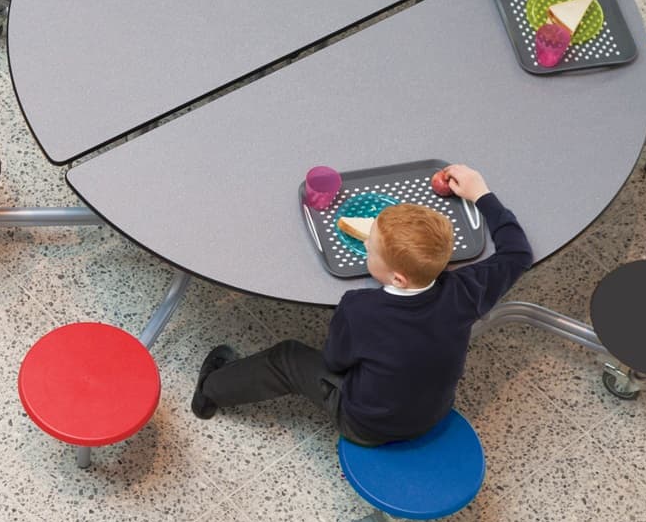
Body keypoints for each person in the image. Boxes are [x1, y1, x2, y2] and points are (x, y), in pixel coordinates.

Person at [191, 164, 534, 445]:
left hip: (367, 425)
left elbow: (334, 361)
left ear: (398, 277)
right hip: (435, 413)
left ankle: (210, 392)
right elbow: (518, 253)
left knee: (287, 356)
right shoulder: (466, 291)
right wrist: (481, 193)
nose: (367, 248)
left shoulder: (361, 309)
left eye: (371, 249)